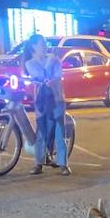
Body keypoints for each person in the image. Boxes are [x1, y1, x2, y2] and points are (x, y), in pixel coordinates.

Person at [23, 34, 70, 176]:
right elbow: (43, 76)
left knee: (60, 132)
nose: (45, 46)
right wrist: (50, 63)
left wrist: (50, 70)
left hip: (57, 99)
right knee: (41, 131)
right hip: (42, 102)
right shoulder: (30, 63)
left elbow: (57, 76)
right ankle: (39, 163)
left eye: (45, 43)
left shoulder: (54, 59)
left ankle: (63, 164)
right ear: (34, 46)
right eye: (42, 44)